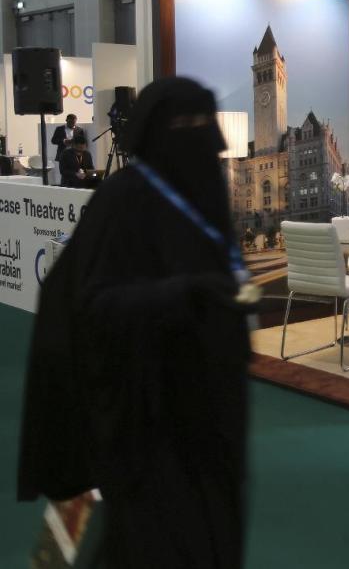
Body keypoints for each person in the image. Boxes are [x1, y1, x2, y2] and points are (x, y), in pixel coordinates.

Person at [18, 77, 255, 568]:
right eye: (183, 125)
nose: (197, 136)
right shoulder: (125, 200)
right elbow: (93, 308)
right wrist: (180, 296)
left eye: (202, 123)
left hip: (211, 419)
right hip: (148, 423)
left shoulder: (204, 193)